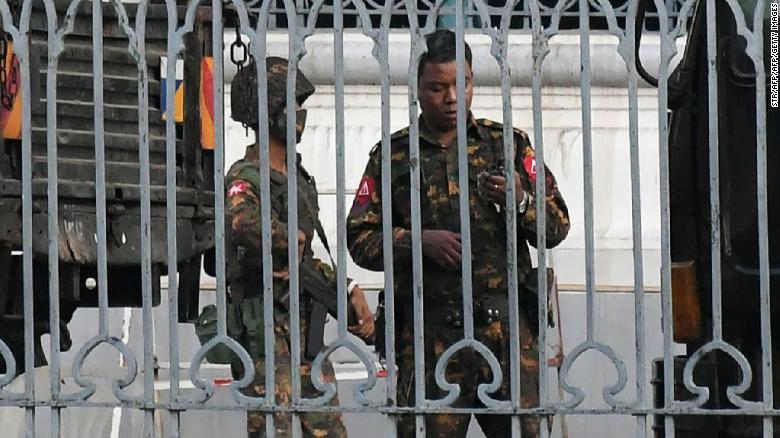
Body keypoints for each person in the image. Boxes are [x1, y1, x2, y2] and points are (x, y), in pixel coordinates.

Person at [346, 30, 570, 438]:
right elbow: (359, 238)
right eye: (438, 87)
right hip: (431, 338)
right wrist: (416, 241)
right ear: (418, 88)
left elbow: (557, 226)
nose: (452, 98)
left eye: (461, 83)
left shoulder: (507, 145)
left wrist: (521, 201)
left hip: (506, 337)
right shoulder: (394, 156)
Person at [226, 56, 375, 438]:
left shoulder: (298, 179)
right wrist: (284, 236)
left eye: (301, 105)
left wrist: (347, 290)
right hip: (267, 341)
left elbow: (305, 261)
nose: (300, 114)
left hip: (306, 342)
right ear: (269, 111)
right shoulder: (246, 175)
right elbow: (239, 221)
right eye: (292, 104)